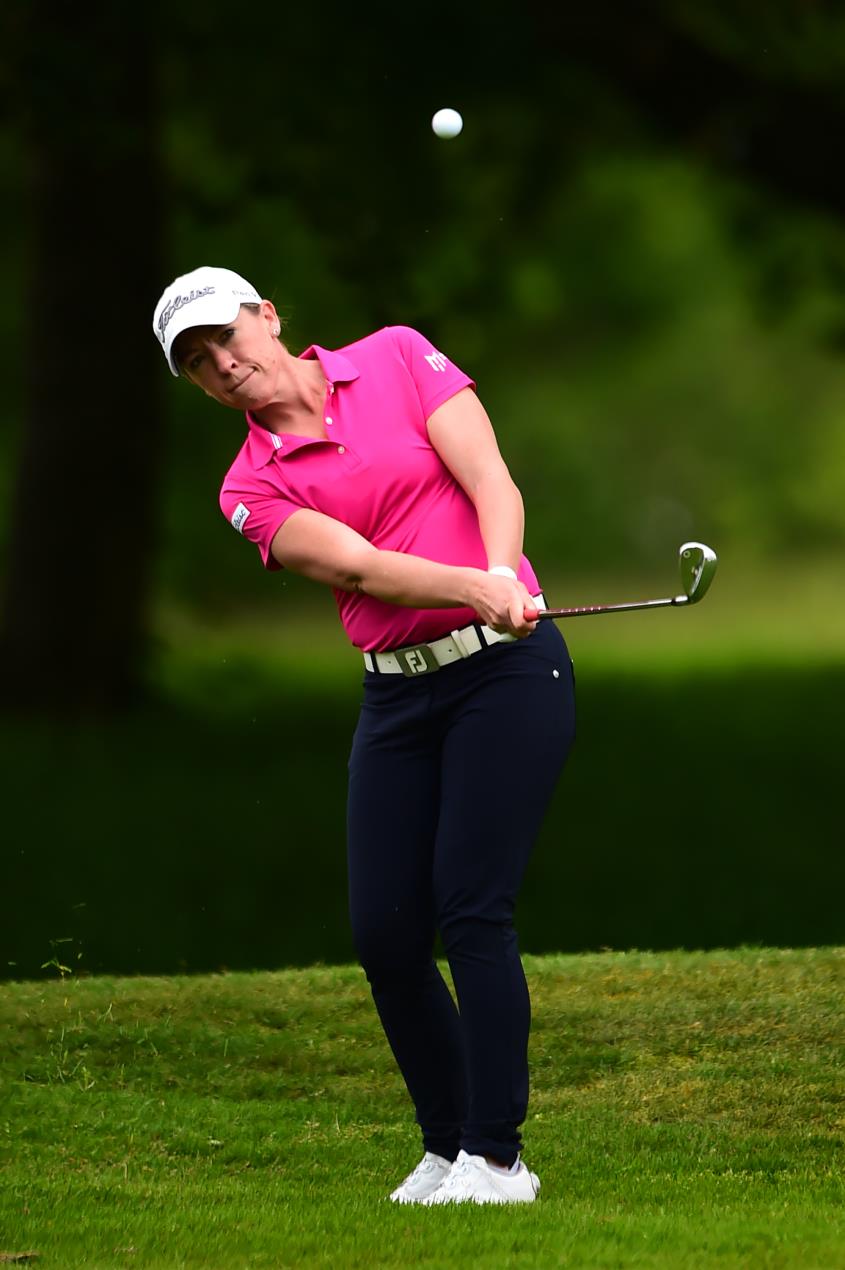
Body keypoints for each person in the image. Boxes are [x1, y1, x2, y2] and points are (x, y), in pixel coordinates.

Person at [152, 265, 576, 1205]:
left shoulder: (394, 356)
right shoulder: (248, 487)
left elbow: (488, 476)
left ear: (268, 316)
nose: (224, 363)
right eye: (199, 361)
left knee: (471, 906)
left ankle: (497, 1159)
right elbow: (359, 568)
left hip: (505, 674)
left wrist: (502, 572)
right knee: (384, 934)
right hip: (396, 698)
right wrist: (475, 586)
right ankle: (446, 1146)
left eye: (228, 336)